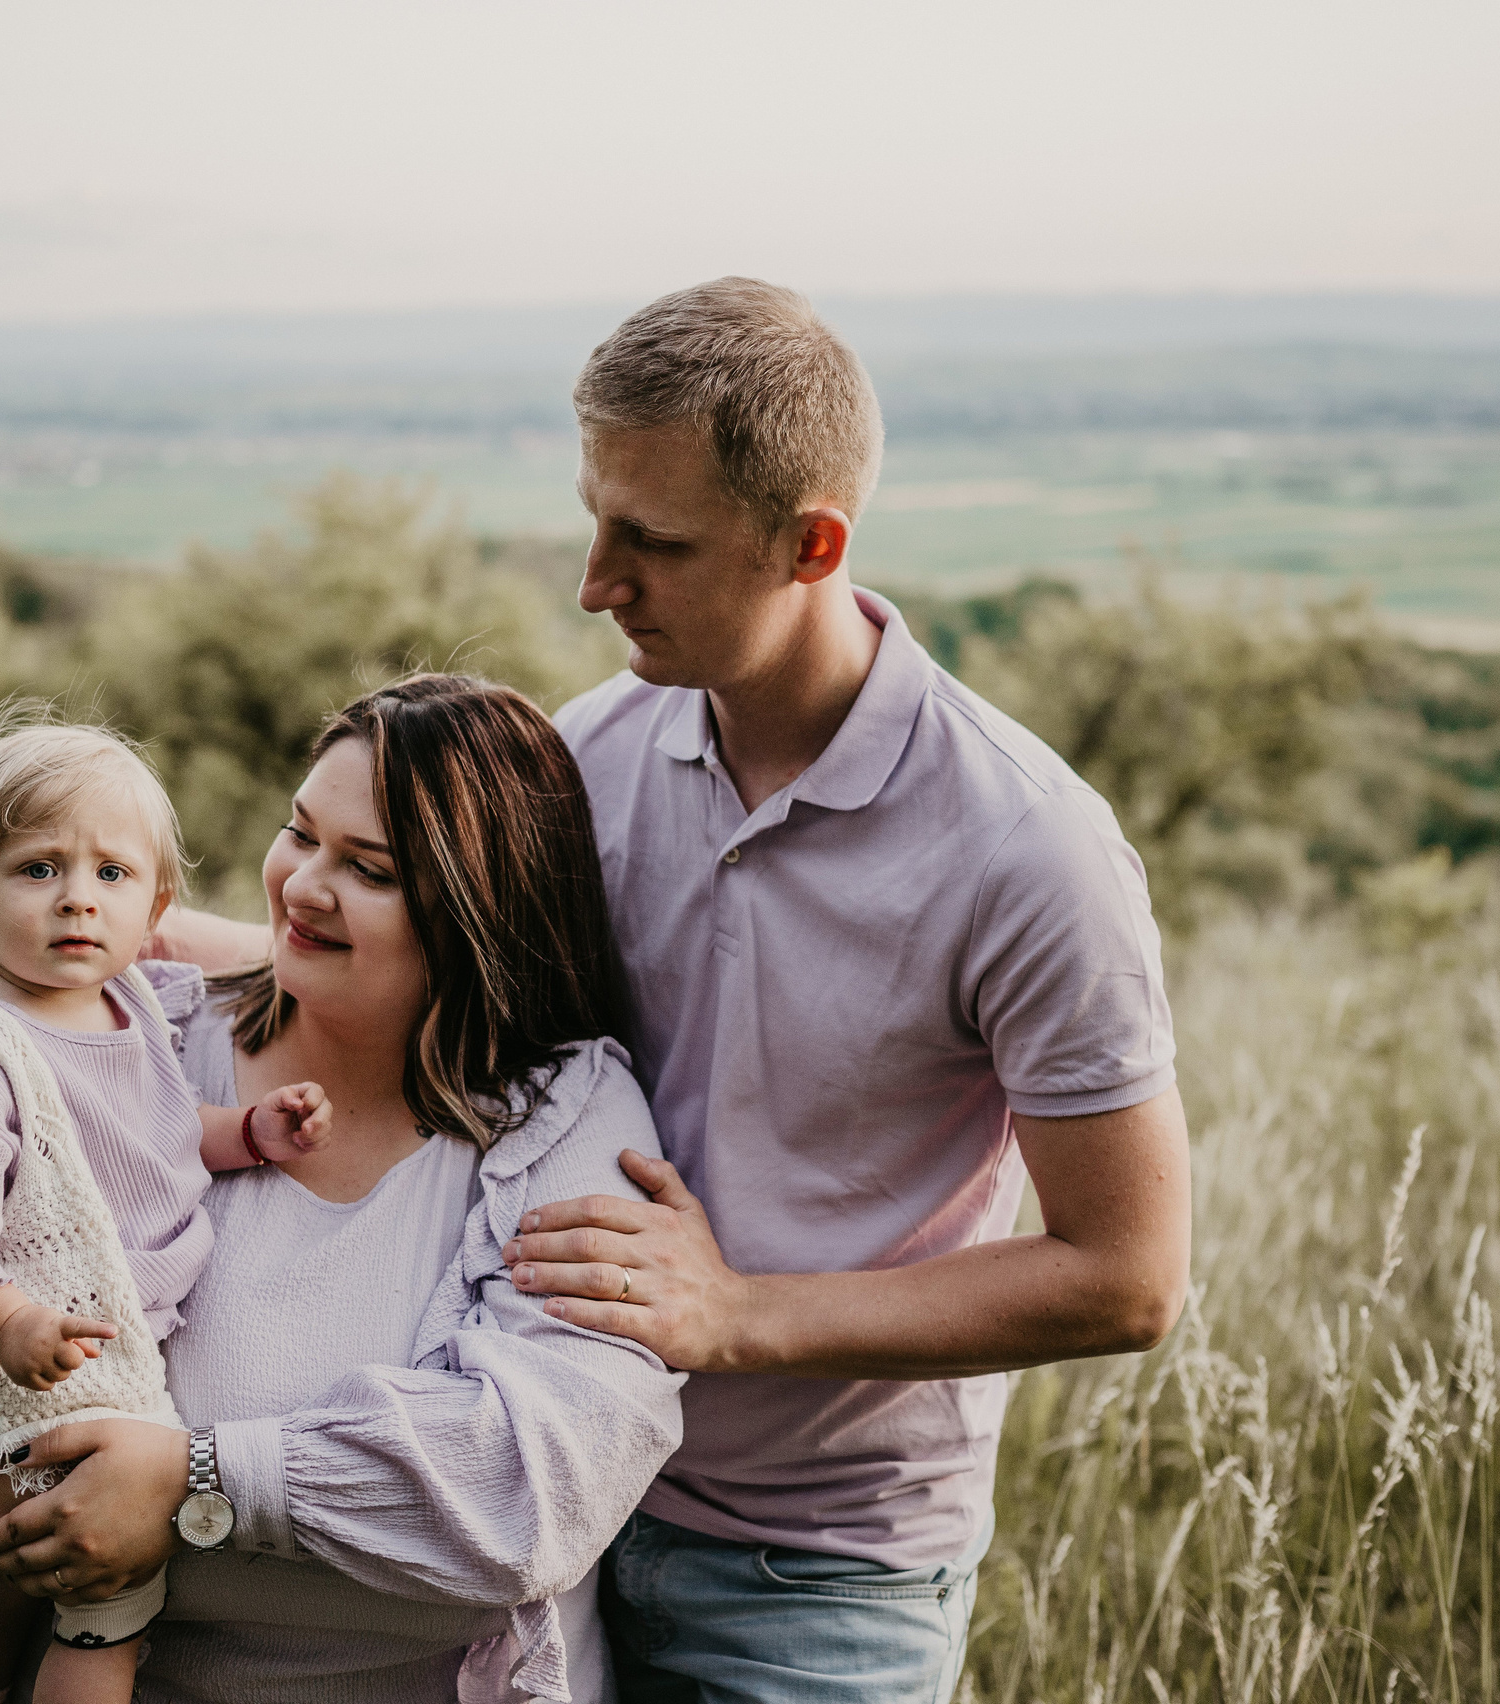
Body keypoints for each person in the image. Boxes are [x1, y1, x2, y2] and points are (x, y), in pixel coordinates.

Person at [500, 278, 1194, 1703]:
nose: (595, 581)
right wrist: (105, 944)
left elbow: (1128, 1279)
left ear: (810, 544)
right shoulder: (591, 751)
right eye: (595, 517)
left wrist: (735, 1314)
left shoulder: (1030, 850)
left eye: (655, 541)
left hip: (824, 1577)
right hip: (548, 1499)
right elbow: (422, 986)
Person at [0, 675, 687, 1704]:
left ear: (478, 910)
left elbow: (533, 1486)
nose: (301, 886)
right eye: (299, 833)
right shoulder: (127, 1042)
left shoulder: (565, 1117)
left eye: (368, 868)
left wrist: (193, 1479)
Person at [0, 714, 337, 1704]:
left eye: (111, 874)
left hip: (110, 1355)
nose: (77, 899)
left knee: (21, 1567)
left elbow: (158, 1130)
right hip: (30, 1377)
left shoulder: (133, 1004)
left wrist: (251, 1134)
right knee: (107, 1591)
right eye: (36, 869)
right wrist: (10, 1321)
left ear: (154, 901)